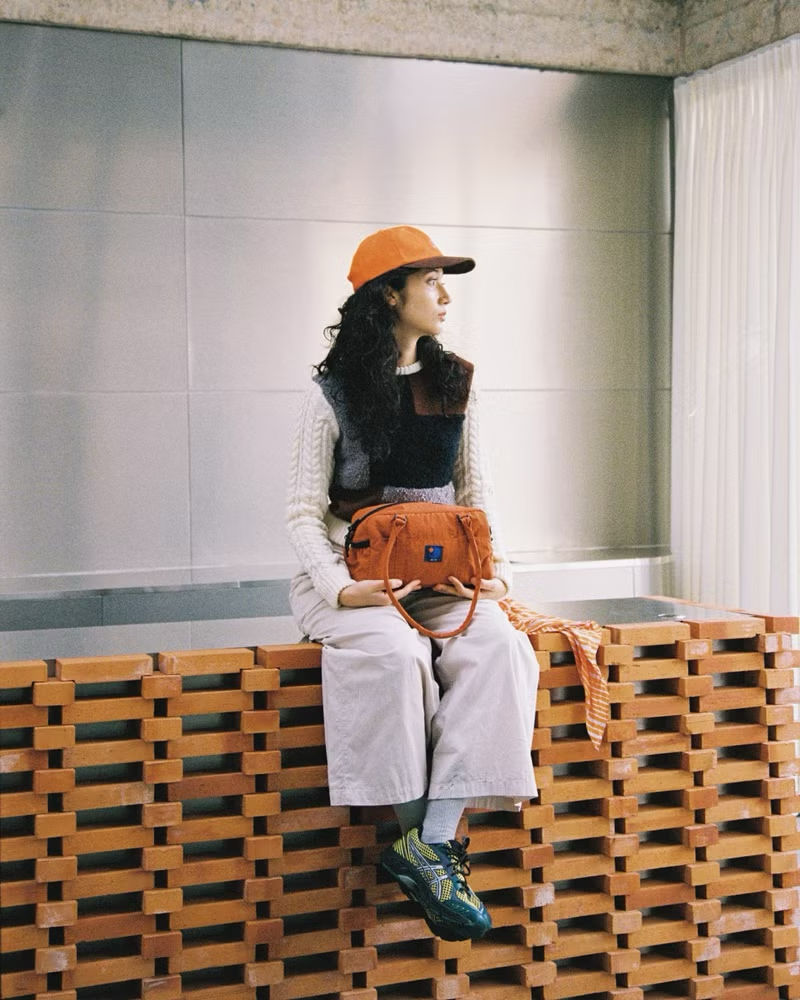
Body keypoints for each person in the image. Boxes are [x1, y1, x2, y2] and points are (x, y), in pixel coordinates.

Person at [286, 225, 539, 942]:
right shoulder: (332, 392)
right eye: (430, 280)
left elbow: (476, 493)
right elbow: (302, 513)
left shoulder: (457, 382)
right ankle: (426, 847)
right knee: (395, 656)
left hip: (441, 578)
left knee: (503, 650)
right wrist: (341, 589)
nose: (444, 294)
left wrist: (496, 575)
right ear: (389, 295)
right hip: (351, 582)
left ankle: (429, 844)